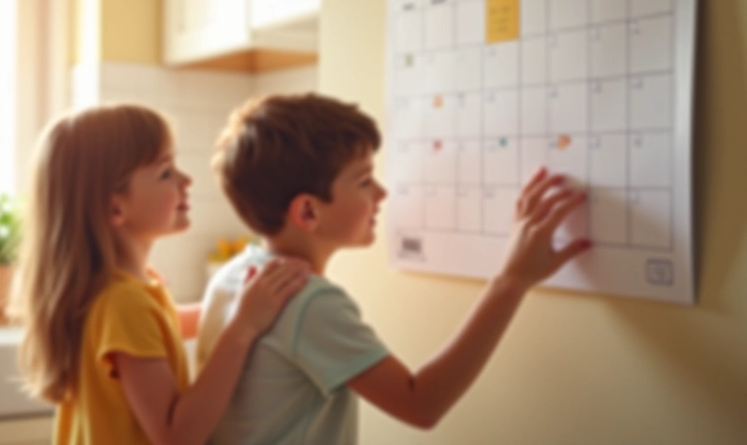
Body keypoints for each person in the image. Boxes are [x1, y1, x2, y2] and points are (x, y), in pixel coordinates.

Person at [197, 93, 592, 444]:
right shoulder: (308, 302)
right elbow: (421, 405)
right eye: (364, 181)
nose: (382, 193)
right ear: (308, 211)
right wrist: (512, 281)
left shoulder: (234, 273)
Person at [16, 104, 310, 445]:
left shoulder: (118, 288)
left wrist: (242, 304)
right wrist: (243, 327)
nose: (187, 180)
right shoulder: (124, 302)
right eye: (165, 172)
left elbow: (165, 326)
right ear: (115, 207)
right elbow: (176, 435)